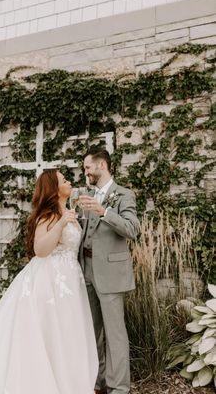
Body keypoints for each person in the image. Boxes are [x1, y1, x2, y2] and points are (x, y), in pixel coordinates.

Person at [0, 169, 98, 394]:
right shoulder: (48, 216)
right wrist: (60, 224)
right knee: (48, 330)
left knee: (66, 331)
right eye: (63, 180)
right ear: (54, 190)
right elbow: (41, 250)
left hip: (70, 279)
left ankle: (67, 380)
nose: (69, 182)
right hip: (49, 281)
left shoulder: (69, 211)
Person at [79, 148, 140, 394]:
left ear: (102, 165)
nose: (85, 172)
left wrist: (104, 212)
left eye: (87, 167)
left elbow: (133, 229)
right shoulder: (86, 194)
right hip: (86, 270)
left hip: (111, 273)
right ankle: (97, 382)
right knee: (92, 331)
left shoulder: (124, 195)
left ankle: (119, 388)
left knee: (115, 334)